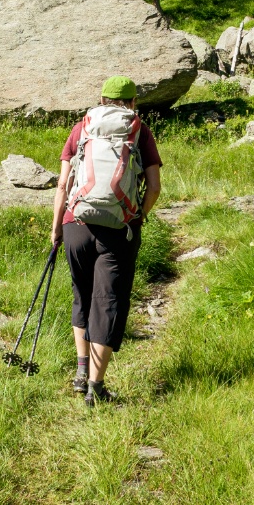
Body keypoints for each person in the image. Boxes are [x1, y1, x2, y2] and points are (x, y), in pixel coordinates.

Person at [51, 76, 162, 406]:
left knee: (81, 295)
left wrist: (56, 228)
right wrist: (138, 215)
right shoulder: (139, 130)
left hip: (76, 222)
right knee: (108, 300)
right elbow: (154, 186)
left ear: (101, 98)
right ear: (132, 101)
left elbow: (62, 184)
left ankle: (81, 372)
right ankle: (96, 388)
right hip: (119, 226)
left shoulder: (80, 128)